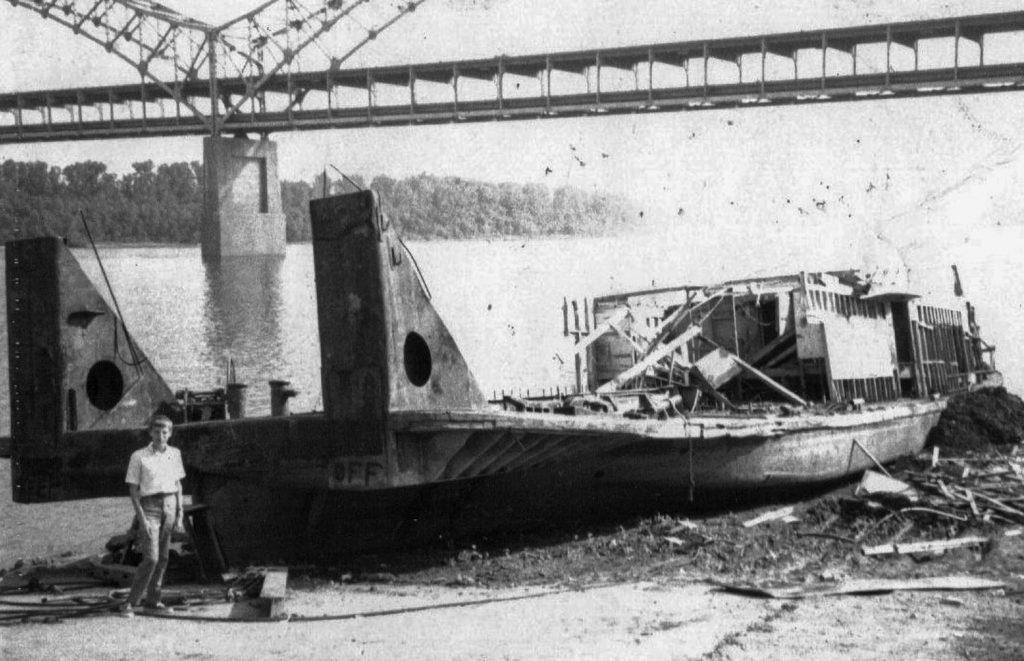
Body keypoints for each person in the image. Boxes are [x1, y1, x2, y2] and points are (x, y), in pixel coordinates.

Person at [121, 414, 185, 617]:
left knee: (164, 558)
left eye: (164, 432)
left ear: (170, 433)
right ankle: (129, 603)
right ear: (150, 432)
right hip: (149, 506)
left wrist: (180, 514)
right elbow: (133, 490)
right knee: (151, 557)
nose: (160, 436)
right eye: (156, 432)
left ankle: (152, 601)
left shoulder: (175, 454)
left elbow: (178, 485)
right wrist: (141, 519)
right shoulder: (138, 456)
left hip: (170, 505)